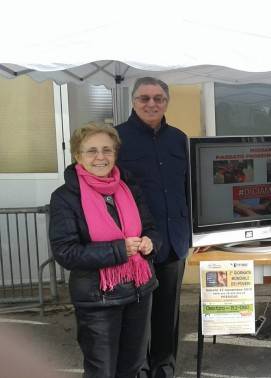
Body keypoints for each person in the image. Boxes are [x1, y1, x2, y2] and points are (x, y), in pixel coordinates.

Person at [49, 124, 160, 377]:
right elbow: (65, 252)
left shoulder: (128, 187)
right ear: (78, 156)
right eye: (92, 151)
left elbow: (151, 228)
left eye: (107, 150)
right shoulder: (65, 197)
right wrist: (118, 250)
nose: (100, 157)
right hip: (97, 299)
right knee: (102, 370)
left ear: (115, 153)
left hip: (140, 291)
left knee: (133, 367)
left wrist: (150, 243)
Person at [116, 77, 190, 378]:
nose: (151, 104)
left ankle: (164, 370)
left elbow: (188, 187)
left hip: (174, 241)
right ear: (133, 101)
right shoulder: (117, 138)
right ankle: (139, 371)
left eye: (158, 98)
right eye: (144, 98)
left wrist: (195, 230)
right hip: (137, 243)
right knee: (137, 316)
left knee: (167, 314)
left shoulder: (179, 139)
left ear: (166, 102)